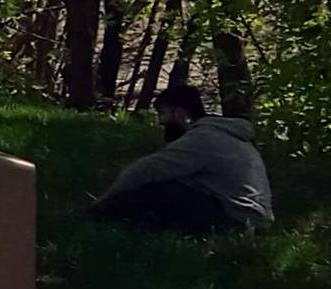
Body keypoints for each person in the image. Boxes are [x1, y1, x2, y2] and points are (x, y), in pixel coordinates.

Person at [90, 84, 275, 233]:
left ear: (180, 114)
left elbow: (147, 169)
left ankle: (103, 218)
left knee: (156, 190)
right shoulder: (226, 135)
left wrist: (105, 200)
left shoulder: (202, 138)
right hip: (251, 217)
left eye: (163, 114)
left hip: (236, 219)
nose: (161, 122)